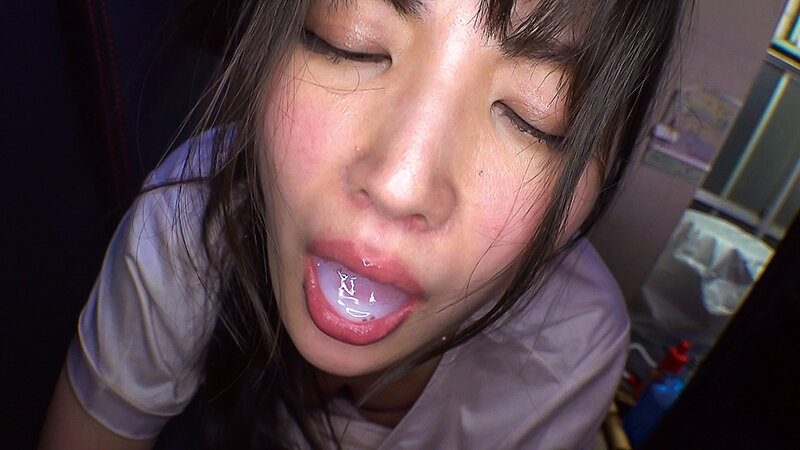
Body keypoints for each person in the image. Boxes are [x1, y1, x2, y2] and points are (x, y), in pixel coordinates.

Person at [40, 0, 687, 448]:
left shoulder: (572, 348)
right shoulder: (189, 218)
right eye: (350, 39)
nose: (400, 184)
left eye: (536, 117)